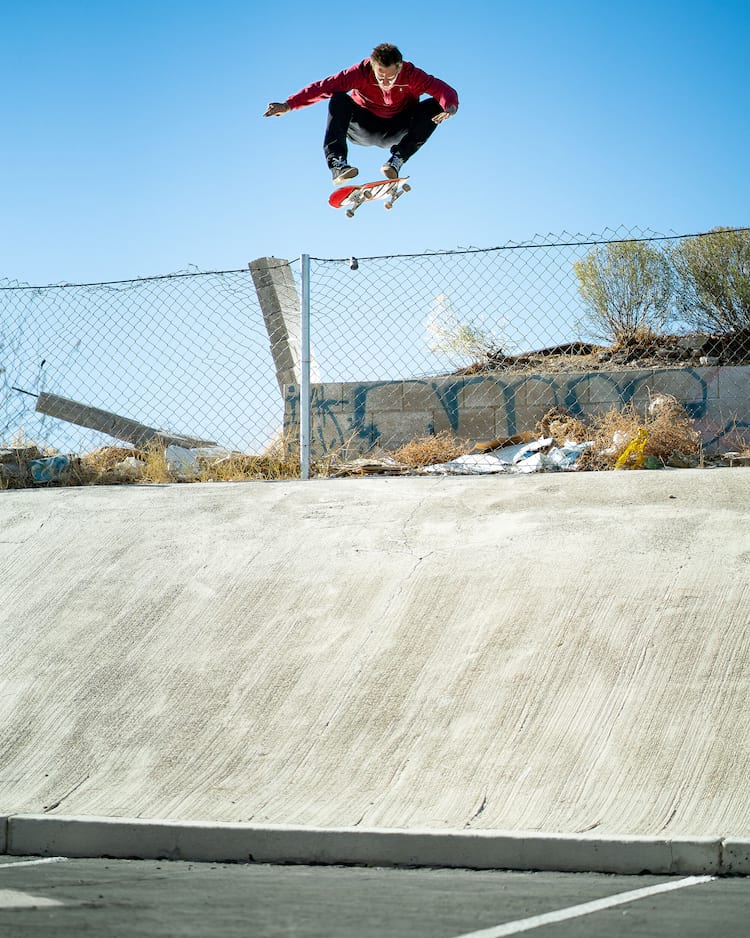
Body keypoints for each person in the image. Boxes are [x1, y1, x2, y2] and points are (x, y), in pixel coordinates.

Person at [264, 43, 458, 185]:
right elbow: (323, 87)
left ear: (400, 67)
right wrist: (289, 105)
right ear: (373, 66)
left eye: (391, 76)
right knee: (339, 98)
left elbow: (443, 90)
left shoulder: (412, 75)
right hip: (363, 128)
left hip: (397, 130)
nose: (385, 81)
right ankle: (337, 163)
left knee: (436, 105)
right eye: (380, 75)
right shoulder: (360, 72)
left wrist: (450, 107)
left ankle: (398, 159)